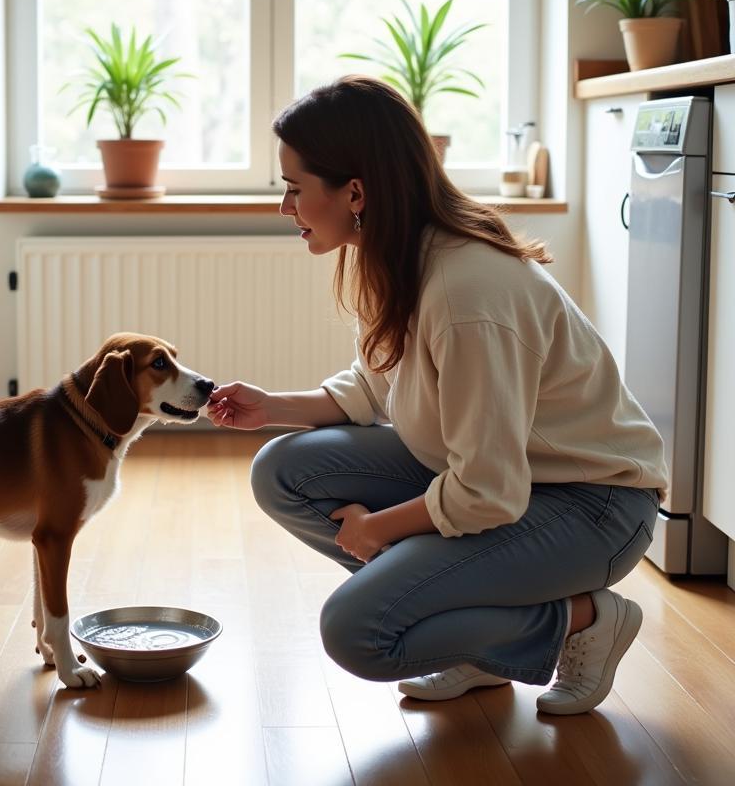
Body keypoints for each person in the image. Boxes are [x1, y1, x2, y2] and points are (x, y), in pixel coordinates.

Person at [208, 75, 667, 716]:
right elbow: (378, 381)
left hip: (591, 506)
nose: (285, 207)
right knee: (283, 470)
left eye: (293, 188)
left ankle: (583, 619)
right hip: (503, 483)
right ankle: (468, 638)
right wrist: (274, 408)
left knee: (357, 632)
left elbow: (487, 489)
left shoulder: (467, 294)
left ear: (356, 192)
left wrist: (377, 528)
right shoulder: (392, 254)